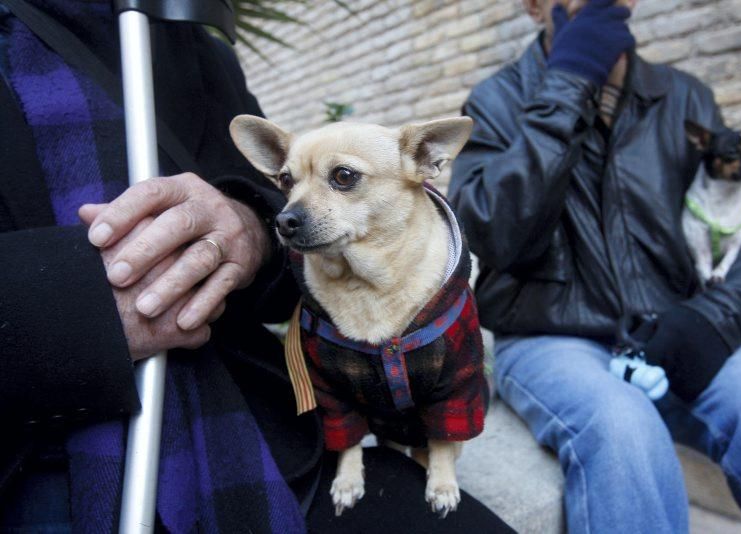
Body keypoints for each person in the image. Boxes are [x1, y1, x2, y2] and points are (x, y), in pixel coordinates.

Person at [0, 1, 513, 532]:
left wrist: (247, 226)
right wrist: (66, 307)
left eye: (341, 177)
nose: (294, 208)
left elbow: (268, 236)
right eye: (287, 181)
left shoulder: (182, 28)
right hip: (33, 461)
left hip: (253, 425)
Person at [448, 0, 741, 532]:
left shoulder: (684, 96)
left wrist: (714, 318)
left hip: (675, 327)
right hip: (548, 336)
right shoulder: (496, 102)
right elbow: (492, 237)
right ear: (533, 6)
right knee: (623, 428)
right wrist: (566, 86)